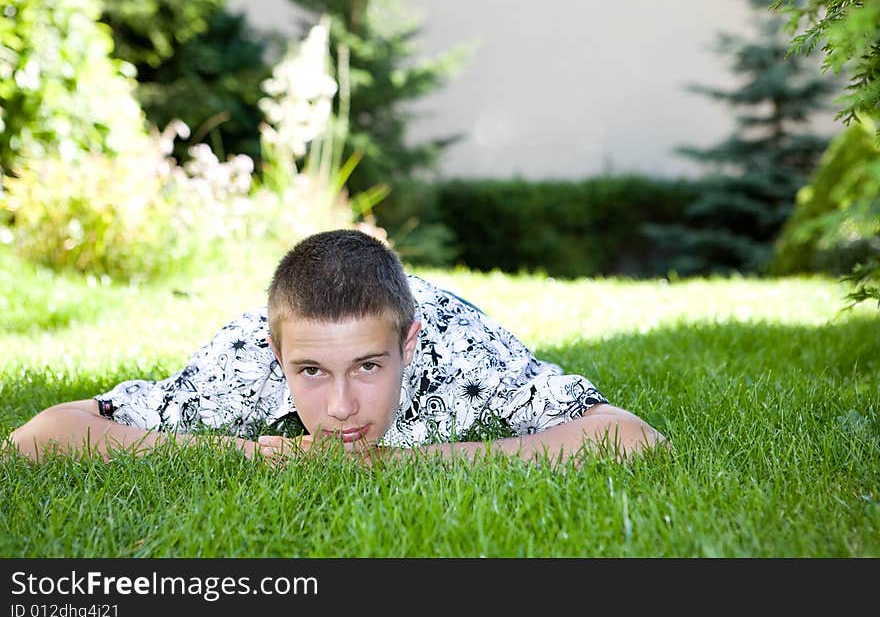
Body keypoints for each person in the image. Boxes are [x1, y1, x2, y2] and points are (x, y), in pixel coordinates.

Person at [8, 229, 666, 466]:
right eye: (312, 371)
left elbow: (632, 439)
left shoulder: (463, 348)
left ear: (408, 344)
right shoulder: (242, 356)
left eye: (370, 366)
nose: (343, 406)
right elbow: (39, 438)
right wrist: (253, 456)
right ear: (277, 354)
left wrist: (414, 463)